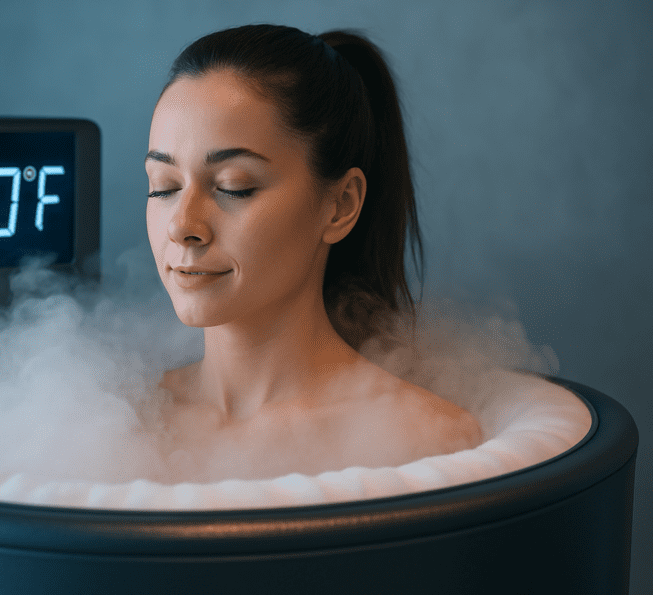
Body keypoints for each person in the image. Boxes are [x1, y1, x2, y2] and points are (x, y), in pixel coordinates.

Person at [145, 24, 481, 478]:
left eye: (234, 187)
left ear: (340, 206)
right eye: (164, 187)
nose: (182, 226)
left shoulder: (426, 441)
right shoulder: (119, 422)